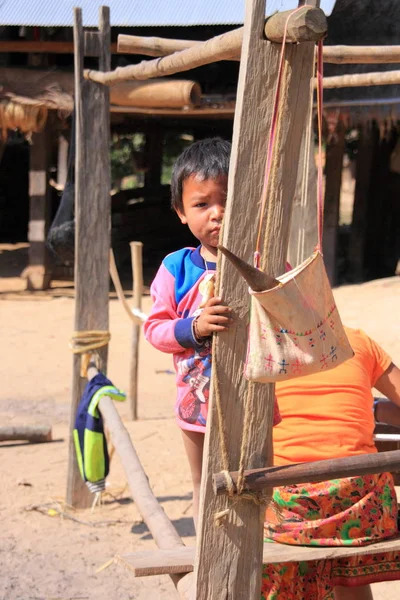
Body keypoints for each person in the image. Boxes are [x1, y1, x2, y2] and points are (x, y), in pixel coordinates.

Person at [144, 137, 281, 528]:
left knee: (255, 482)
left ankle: (254, 565)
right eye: (202, 204)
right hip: (195, 402)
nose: (217, 213)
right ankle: (208, 559)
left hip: (254, 395)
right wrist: (194, 327)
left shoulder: (262, 259)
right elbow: (154, 329)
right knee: (204, 483)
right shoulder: (176, 268)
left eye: (227, 200)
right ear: (181, 213)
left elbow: (285, 304)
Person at [262, 326, 400, 600]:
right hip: (361, 509)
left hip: (291, 510)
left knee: (261, 498)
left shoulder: (261, 347)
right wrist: (370, 407)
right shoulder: (356, 340)